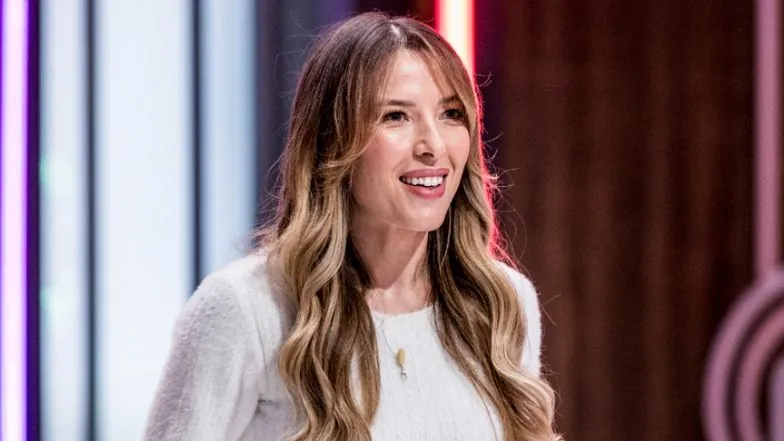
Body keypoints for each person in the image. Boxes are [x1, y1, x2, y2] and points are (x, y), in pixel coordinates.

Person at [144, 12, 559, 441]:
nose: (433, 146)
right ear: (332, 140)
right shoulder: (247, 309)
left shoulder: (502, 302)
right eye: (395, 116)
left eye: (450, 114)